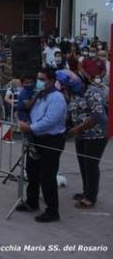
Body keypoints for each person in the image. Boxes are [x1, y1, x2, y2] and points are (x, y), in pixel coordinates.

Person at [16, 67, 69, 222]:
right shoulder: (40, 94)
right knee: (32, 171)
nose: (38, 82)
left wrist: (30, 127)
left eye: (42, 79)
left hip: (51, 140)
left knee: (47, 176)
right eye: (38, 78)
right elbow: (32, 111)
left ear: (51, 81)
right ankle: (32, 202)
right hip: (37, 138)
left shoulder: (57, 98)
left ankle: (52, 211)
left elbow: (50, 120)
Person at [67, 74, 109, 209]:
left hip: (96, 135)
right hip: (81, 135)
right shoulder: (76, 94)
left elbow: (97, 116)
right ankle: (86, 191)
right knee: (83, 164)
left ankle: (91, 197)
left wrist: (77, 129)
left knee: (91, 165)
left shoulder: (94, 93)